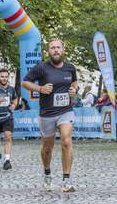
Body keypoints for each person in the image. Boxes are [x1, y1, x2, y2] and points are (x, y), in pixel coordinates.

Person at [21, 39, 77, 192]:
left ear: (63, 49)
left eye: (58, 47)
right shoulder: (41, 67)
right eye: (52, 48)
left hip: (66, 111)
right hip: (47, 114)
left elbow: (74, 83)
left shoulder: (70, 68)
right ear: (48, 51)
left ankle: (66, 180)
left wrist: (73, 91)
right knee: (47, 147)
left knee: (66, 140)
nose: (56, 50)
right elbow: (25, 82)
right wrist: (40, 88)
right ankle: (47, 174)